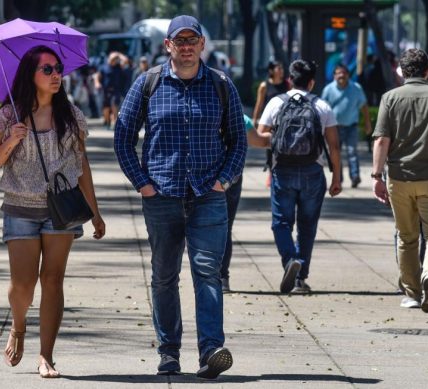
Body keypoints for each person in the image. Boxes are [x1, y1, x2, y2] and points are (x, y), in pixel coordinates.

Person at [114, 15, 246, 379]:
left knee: (208, 273)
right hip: (161, 197)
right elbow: (123, 137)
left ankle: (210, 352)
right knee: (163, 276)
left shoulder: (221, 85)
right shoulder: (148, 84)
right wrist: (142, 182)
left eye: (193, 40)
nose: (186, 47)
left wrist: (223, 180)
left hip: (208, 195)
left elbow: (238, 142)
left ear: (202, 44)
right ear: (168, 45)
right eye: (179, 41)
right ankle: (169, 352)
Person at [0, 45, 106, 378]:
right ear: (32, 75)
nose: (56, 75)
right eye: (48, 70)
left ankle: (46, 356)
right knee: (22, 285)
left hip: (61, 209)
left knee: (52, 280)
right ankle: (19, 324)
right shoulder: (10, 114)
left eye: (58, 69)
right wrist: (11, 140)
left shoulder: (70, 115)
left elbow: (82, 164)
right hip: (20, 207)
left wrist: (95, 212)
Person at [371, 48, 428, 313]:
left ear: (402, 72)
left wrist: (376, 176)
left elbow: (382, 139)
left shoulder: (390, 98)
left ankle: (413, 293)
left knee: (406, 237)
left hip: (400, 178)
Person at [256, 59, 342, 294]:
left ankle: (289, 260)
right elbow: (334, 146)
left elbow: (261, 135)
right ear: (311, 82)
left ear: (290, 80)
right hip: (313, 172)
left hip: (282, 170)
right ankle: (299, 278)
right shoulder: (322, 106)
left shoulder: (276, 102)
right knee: (307, 226)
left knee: (281, 222)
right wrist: (337, 178)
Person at [221, 114, 269, 293]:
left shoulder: (198, 110)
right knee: (225, 228)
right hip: (230, 178)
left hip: (202, 177)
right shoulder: (240, 117)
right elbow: (261, 142)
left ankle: (205, 275)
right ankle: (222, 278)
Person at [322, 64, 372, 188]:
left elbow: (363, 106)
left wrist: (367, 123)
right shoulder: (328, 89)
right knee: (335, 152)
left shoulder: (356, 88)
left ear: (348, 75)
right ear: (334, 76)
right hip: (334, 127)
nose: (341, 75)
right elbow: (323, 109)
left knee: (352, 152)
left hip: (351, 126)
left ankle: (355, 177)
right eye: (338, 73)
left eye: (344, 73)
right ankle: (338, 177)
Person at [252, 61, 290, 188]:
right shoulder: (264, 85)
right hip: (270, 121)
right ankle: (271, 172)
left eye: (281, 67)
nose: (281, 70)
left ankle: (281, 170)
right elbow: (259, 104)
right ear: (271, 71)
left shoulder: (287, 85)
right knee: (270, 147)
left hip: (285, 121)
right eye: (278, 68)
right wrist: (255, 120)